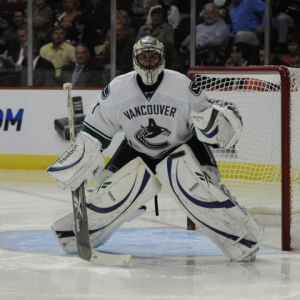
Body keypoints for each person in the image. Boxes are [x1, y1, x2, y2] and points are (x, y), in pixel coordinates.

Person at [47, 36, 264, 263]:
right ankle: (82, 235)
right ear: (135, 59)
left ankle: (243, 238)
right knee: (108, 187)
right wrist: (80, 159)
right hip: (136, 147)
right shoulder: (117, 89)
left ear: (161, 58)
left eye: (153, 57)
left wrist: (219, 126)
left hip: (184, 144)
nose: (148, 61)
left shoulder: (181, 85)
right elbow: (95, 133)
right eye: (143, 57)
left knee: (201, 186)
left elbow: (207, 121)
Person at [99, 22, 135, 86]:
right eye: (115, 30)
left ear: (126, 32)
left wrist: (116, 67)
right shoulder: (110, 46)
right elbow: (102, 62)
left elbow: (132, 65)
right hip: (110, 73)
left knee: (117, 73)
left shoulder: (133, 46)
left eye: (119, 30)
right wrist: (105, 66)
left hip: (126, 75)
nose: (116, 33)